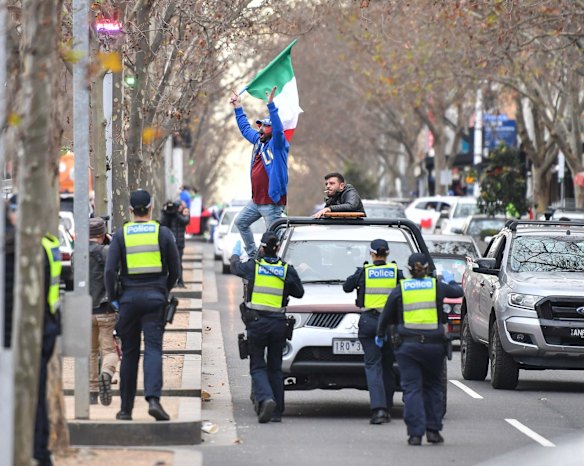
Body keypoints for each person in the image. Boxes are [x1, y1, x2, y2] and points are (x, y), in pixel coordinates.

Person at [105, 189, 180, 421]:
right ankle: (154, 400)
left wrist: (114, 298)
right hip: (155, 299)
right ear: (150, 207)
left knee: (129, 353)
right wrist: (163, 290)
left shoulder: (121, 234)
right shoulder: (163, 233)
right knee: (154, 349)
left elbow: (109, 271)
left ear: (130, 210)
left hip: (128, 300)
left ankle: (125, 409)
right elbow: (175, 271)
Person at [376, 253, 463, 446]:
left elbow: (386, 316)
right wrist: (450, 281)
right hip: (434, 347)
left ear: (408, 270)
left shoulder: (402, 289)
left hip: (408, 347)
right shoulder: (436, 286)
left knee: (412, 389)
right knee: (432, 387)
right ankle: (433, 431)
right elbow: (458, 293)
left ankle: (415, 434)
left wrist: (380, 334)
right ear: (427, 268)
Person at [8, 194, 62, 465]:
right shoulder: (51, 243)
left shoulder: (30, 247)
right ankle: (39, 449)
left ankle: (37, 450)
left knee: (32, 395)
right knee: (37, 393)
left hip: (33, 329)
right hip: (49, 325)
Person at [230, 232, 304, 423]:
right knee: (275, 368)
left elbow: (235, 268)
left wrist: (235, 255)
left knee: (257, 365)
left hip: (257, 323)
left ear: (261, 248)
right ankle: (277, 412)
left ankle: (265, 398)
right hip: (279, 324)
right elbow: (299, 292)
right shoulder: (286, 269)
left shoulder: (253, 266)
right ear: (278, 248)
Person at [343, 239, 404, 425]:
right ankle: (387, 406)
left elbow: (346, 287)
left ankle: (379, 410)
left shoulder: (364, 271)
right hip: (391, 325)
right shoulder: (396, 272)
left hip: (369, 322)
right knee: (387, 366)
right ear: (387, 254)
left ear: (372, 253)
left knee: (373, 366)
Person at [229, 86, 289, 257]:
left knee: (273, 239)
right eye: (260, 126)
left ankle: (276, 262)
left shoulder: (278, 145)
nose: (260, 129)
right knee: (241, 222)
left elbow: (278, 129)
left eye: (264, 127)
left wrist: (271, 105)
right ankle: (252, 255)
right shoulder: (258, 142)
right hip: (256, 201)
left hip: (271, 202)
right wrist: (238, 107)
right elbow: (245, 129)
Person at [88, 217, 119, 406]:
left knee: (91, 352)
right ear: (101, 235)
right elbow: (115, 271)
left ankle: (92, 391)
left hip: (85, 310)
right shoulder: (106, 251)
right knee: (109, 349)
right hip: (105, 309)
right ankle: (107, 372)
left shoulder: (78, 253)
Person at [160, 199, 190, 287]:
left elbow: (185, 221)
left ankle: (180, 280)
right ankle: (171, 281)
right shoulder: (168, 215)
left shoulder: (183, 213)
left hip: (179, 243)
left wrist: (176, 213)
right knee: (167, 262)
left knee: (178, 262)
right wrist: (165, 212)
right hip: (170, 243)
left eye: (179, 206)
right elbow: (162, 224)